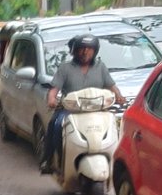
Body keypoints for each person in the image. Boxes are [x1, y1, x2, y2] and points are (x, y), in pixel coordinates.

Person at [39, 33, 126, 172]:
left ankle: (117, 162)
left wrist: (119, 96)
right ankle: (50, 160)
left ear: (95, 50)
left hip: (97, 110)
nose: (85, 52)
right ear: (75, 50)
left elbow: (112, 86)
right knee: (55, 124)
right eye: (82, 48)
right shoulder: (65, 68)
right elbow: (54, 90)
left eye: (89, 49)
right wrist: (52, 99)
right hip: (70, 110)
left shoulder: (101, 67)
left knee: (116, 127)